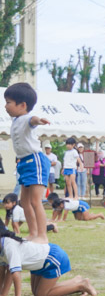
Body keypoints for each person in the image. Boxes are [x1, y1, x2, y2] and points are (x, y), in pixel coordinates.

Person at [3, 83, 50, 243]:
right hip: (23, 162)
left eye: (9, 102)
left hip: (35, 161)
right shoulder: (16, 119)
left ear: (22, 105)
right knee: (24, 202)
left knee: (35, 201)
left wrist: (39, 120)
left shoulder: (25, 119)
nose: (5, 106)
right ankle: (33, 232)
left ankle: (42, 236)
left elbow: (33, 120)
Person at [0, 226, 96, 296]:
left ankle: (80, 285)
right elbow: (8, 270)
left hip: (51, 258)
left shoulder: (9, 246)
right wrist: (3, 295)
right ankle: (75, 281)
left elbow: (16, 273)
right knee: (36, 292)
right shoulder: (2, 246)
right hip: (38, 264)